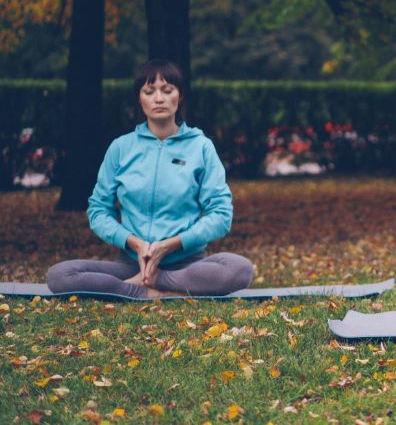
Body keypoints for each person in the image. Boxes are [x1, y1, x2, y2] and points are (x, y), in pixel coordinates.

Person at [47, 60, 254, 298]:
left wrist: (171, 244)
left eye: (167, 91)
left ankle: (155, 281)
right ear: (139, 98)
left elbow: (220, 214)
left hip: (187, 266)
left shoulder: (201, 147)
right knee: (59, 274)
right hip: (131, 264)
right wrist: (134, 243)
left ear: (180, 96)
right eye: (149, 92)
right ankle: (143, 290)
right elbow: (98, 210)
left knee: (240, 269)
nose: (159, 98)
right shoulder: (121, 148)